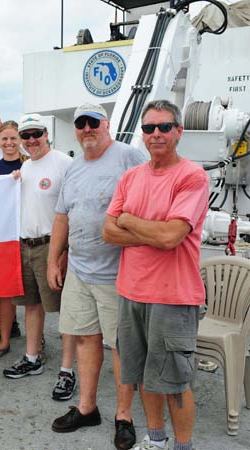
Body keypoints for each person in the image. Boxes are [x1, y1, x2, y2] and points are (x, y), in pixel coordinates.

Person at [103, 100, 209, 450]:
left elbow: (171, 236)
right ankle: (156, 439)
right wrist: (154, 232)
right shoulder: (131, 177)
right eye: (149, 128)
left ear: (179, 131)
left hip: (172, 296)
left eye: (164, 127)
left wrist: (130, 221)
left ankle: (182, 446)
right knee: (144, 376)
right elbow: (108, 232)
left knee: (175, 382)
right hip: (131, 292)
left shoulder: (192, 176)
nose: (156, 134)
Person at [49, 104, 146, 449]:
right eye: (81, 124)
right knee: (86, 338)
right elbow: (62, 217)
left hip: (116, 274)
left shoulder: (128, 157)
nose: (87, 128)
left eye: (93, 122)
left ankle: (124, 415)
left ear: (106, 124)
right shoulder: (74, 168)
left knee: (120, 346)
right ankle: (88, 407)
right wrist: (53, 260)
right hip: (78, 270)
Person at [3, 113, 73, 380]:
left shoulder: (64, 164)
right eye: (26, 136)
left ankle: (67, 369)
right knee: (32, 305)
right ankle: (32, 357)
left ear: (46, 134)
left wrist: (64, 253)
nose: (32, 140)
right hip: (24, 246)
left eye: (36, 134)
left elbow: (72, 211)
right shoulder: (25, 168)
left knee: (65, 309)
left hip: (50, 246)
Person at [0, 120, 25, 360]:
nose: (9, 143)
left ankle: (36, 337)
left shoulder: (30, 166)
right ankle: (5, 340)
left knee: (30, 294)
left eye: (13, 138)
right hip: (3, 238)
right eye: (5, 138)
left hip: (26, 235)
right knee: (5, 292)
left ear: (20, 140)